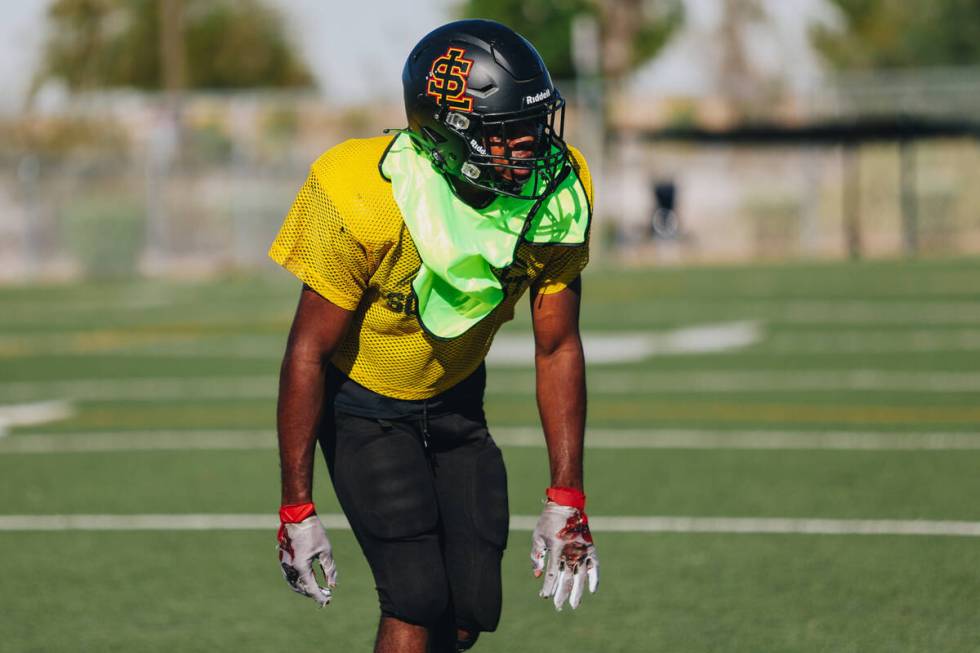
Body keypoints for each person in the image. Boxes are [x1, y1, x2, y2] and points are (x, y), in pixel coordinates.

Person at [270, 19, 599, 653]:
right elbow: (307, 352)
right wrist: (296, 507)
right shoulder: (365, 193)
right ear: (451, 133)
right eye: (509, 133)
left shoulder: (557, 193)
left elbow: (557, 345)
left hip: (455, 400)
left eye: (536, 125)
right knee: (416, 600)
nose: (534, 147)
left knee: (470, 609)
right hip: (364, 405)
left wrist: (567, 493)